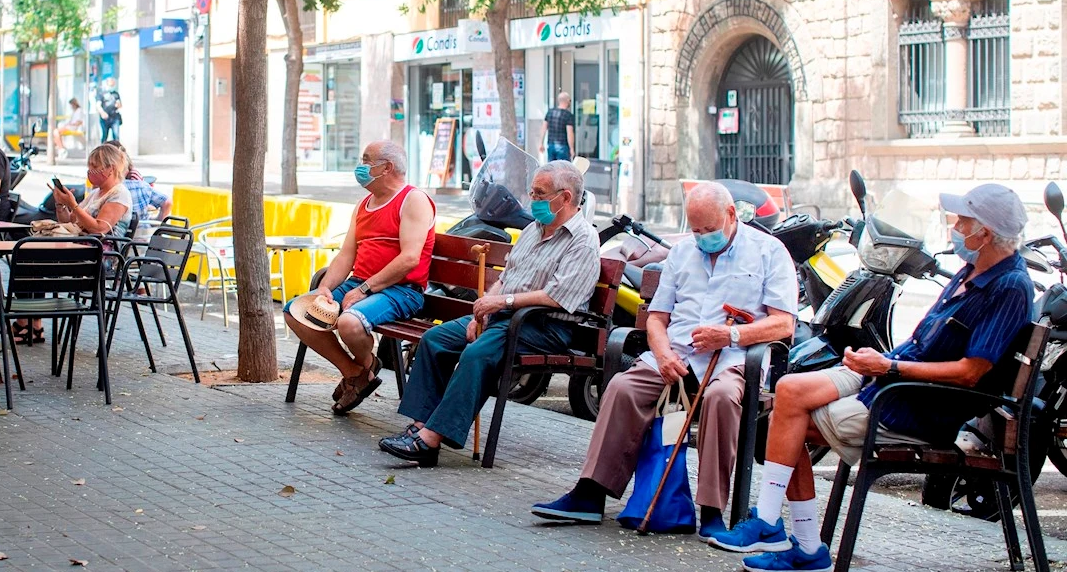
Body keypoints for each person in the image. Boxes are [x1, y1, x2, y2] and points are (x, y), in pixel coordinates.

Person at [709, 183, 1034, 572]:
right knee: (789, 388)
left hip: (917, 404)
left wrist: (889, 368)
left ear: (985, 232)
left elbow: (971, 372)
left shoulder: (1009, 287)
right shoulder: (971, 270)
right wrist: (877, 360)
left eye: (964, 222)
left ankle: (795, 539)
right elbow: (921, 342)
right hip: (891, 381)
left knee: (786, 423)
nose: (956, 228)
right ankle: (776, 527)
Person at [530, 181, 797, 532]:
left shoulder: (769, 251)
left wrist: (730, 334)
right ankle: (590, 493)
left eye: (709, 229)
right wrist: (663, 353)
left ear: (731, 215)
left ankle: (712, 510)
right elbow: (657, 318)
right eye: (696, 229)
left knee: (720, 398)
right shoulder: (684, 252)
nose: (702, 238)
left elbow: (783, 324)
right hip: (675, 356)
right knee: (624, 388)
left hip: (732, 359)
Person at [378, 160, 601, 467]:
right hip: (508, 316)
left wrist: (502, 303)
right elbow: (505, 277)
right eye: (533, 192)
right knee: (435, 339)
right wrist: (479, 313)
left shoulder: (583, 239)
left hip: (544, 325)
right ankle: (420, 425)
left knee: (477, 354)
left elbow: (558, 297)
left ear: (564, 198)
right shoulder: (532, 231)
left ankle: (430, 440)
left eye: (539, 193)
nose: (533, 200)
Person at [283, 141, 436, 414]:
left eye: (367, 160)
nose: (360, 166)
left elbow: (409, 258)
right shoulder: (364, 204)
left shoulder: (413, 200)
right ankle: (356, 372)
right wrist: (325, 288)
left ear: (386, 167)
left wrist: (365, 289)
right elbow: (346, 255)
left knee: (350, 323)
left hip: (401, 290)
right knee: (295, 312)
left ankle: (360, 373)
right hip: (361, 283)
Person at [15, 145, 134, 343]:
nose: (90, 172)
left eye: (94, 167)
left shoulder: (119, 194)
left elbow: (99, 228)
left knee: (31, 259)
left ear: (110, 169)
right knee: (27, 257)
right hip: (79, 247)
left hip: (99, 256)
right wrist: (61, 203)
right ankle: (31, 323)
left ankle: (26, 322)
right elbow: (69, 223)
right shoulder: (96, 193)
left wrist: (74, 204)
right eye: (88, 167)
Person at [104, 140, 171, 222]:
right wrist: (158, 223)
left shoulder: (108, 190)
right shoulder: (142, 186)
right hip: (144, 232)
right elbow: (167, 202)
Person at [541, 91, 575, 162]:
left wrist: (541, 143)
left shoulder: (550, 112)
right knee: (563, 169)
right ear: (567, 101)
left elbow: (543, 128)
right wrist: (571, 148)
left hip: (551, 145)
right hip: (563, 146)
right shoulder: (568, 115)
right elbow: (570, 133)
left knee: (552, 169)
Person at [98, 78, 122, 143]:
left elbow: (120, 105)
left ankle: (116, 151)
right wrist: (102, 113)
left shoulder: (116, 94)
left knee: (116, 135)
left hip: (114, 117)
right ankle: (102, 151)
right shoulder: (102, 94)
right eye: (110, 84)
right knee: (104, 136)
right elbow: (98, 105)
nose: (112, 86)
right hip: (105, 119)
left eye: (113, 84)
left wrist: (118, 105)